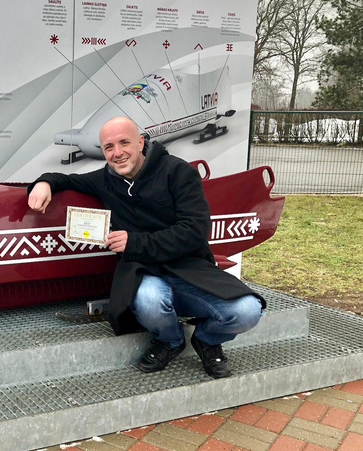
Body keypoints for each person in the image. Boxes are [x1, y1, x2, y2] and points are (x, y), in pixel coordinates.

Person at [27, 116, 263, 378]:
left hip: (190, 269)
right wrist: (44, 182)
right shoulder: (105, 179)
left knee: (248, 310)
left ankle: (207, 339)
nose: (117, 153)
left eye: (124, 142)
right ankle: (170, 341)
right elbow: (66, 179)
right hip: (143, 271)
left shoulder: (178, 172)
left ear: (140, 142)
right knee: (150, 301)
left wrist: (135, 241)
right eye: (108, 147)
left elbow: (195, 231)